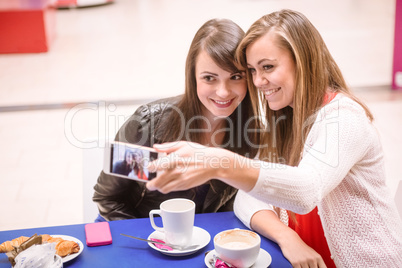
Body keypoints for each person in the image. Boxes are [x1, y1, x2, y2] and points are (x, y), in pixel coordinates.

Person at [146, 10, 402, 267]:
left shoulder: (344, 119)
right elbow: (247, 197)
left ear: (304, 61)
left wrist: (217, 161)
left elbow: (305, 190)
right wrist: (287, 236)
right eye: (252, 71)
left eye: (267, 67)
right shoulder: (286, 120)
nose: (258, 81)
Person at [92, 18, 259, 221]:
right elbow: (108, 198)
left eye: (235, 77)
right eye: (209, 78)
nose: (223, 92)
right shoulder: (149, 125)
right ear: (192, 77)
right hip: (140, 234)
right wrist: (155, 239)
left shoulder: (252, 133)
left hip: (202, 241)